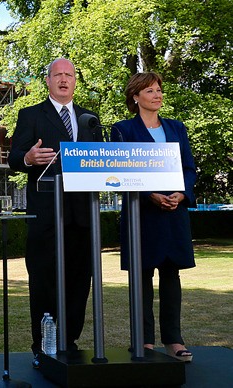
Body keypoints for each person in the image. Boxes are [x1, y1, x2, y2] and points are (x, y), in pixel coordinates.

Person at [9, 58, 103, 368]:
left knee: (79, 280)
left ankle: (69, 341)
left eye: (69, 75)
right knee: (43, 279)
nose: (64, 80)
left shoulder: (90, 119)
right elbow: (14, 157)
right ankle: (43, 344)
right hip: (47, 216)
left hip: (82, 215)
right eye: (57, 75)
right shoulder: (31, 115)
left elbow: (98, 161)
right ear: (47, 80)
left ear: (76, 81)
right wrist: (29, 157)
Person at [111, 72, 196, 362]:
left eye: (159, 90)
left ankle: (174, 341)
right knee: (141, 278)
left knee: (171, 277)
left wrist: (182, 195)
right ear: (135, 97)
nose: (157, 95)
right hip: (142, 216)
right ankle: (143, 342)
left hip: (174, 215)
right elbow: (121, 170)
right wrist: (150, 195)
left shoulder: (177, 128)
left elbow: (189, 168)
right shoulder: (122, 130)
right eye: (149, 91)